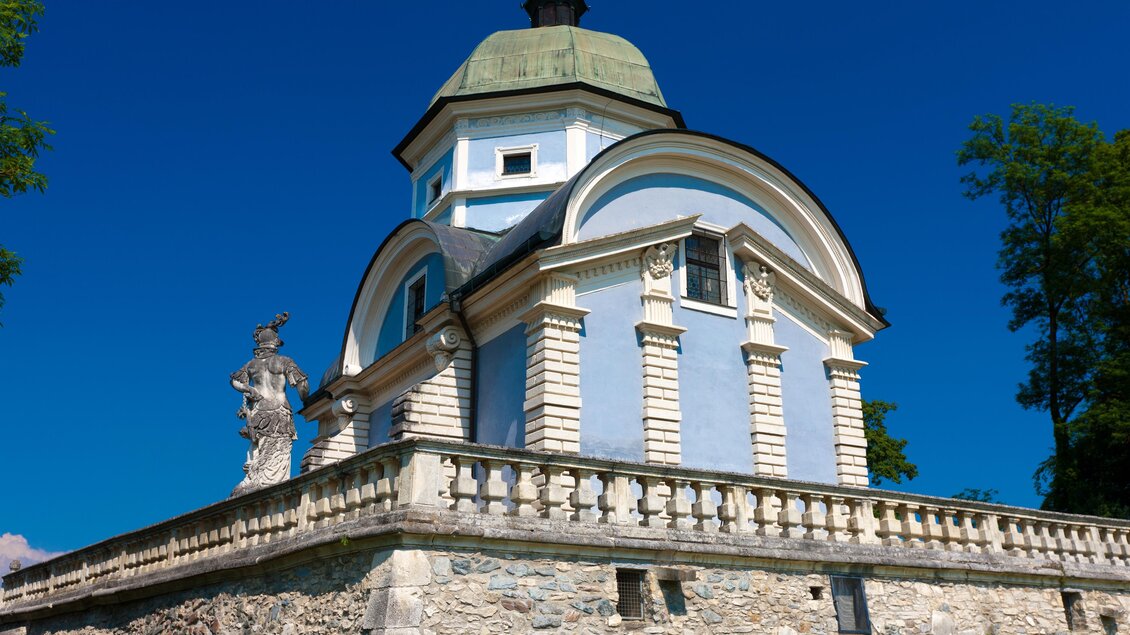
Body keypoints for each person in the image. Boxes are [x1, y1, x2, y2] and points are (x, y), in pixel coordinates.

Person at [229, 312, 309, 497]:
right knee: (278, 452)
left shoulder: (251, 365)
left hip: (259, 413)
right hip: (280, 411)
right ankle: (269, 487)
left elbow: (234, 382)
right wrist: (306, 401)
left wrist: (250, 390)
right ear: (275, 343)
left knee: (258, 450)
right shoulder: (284, 361)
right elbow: (302, 385)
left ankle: (253, 482)